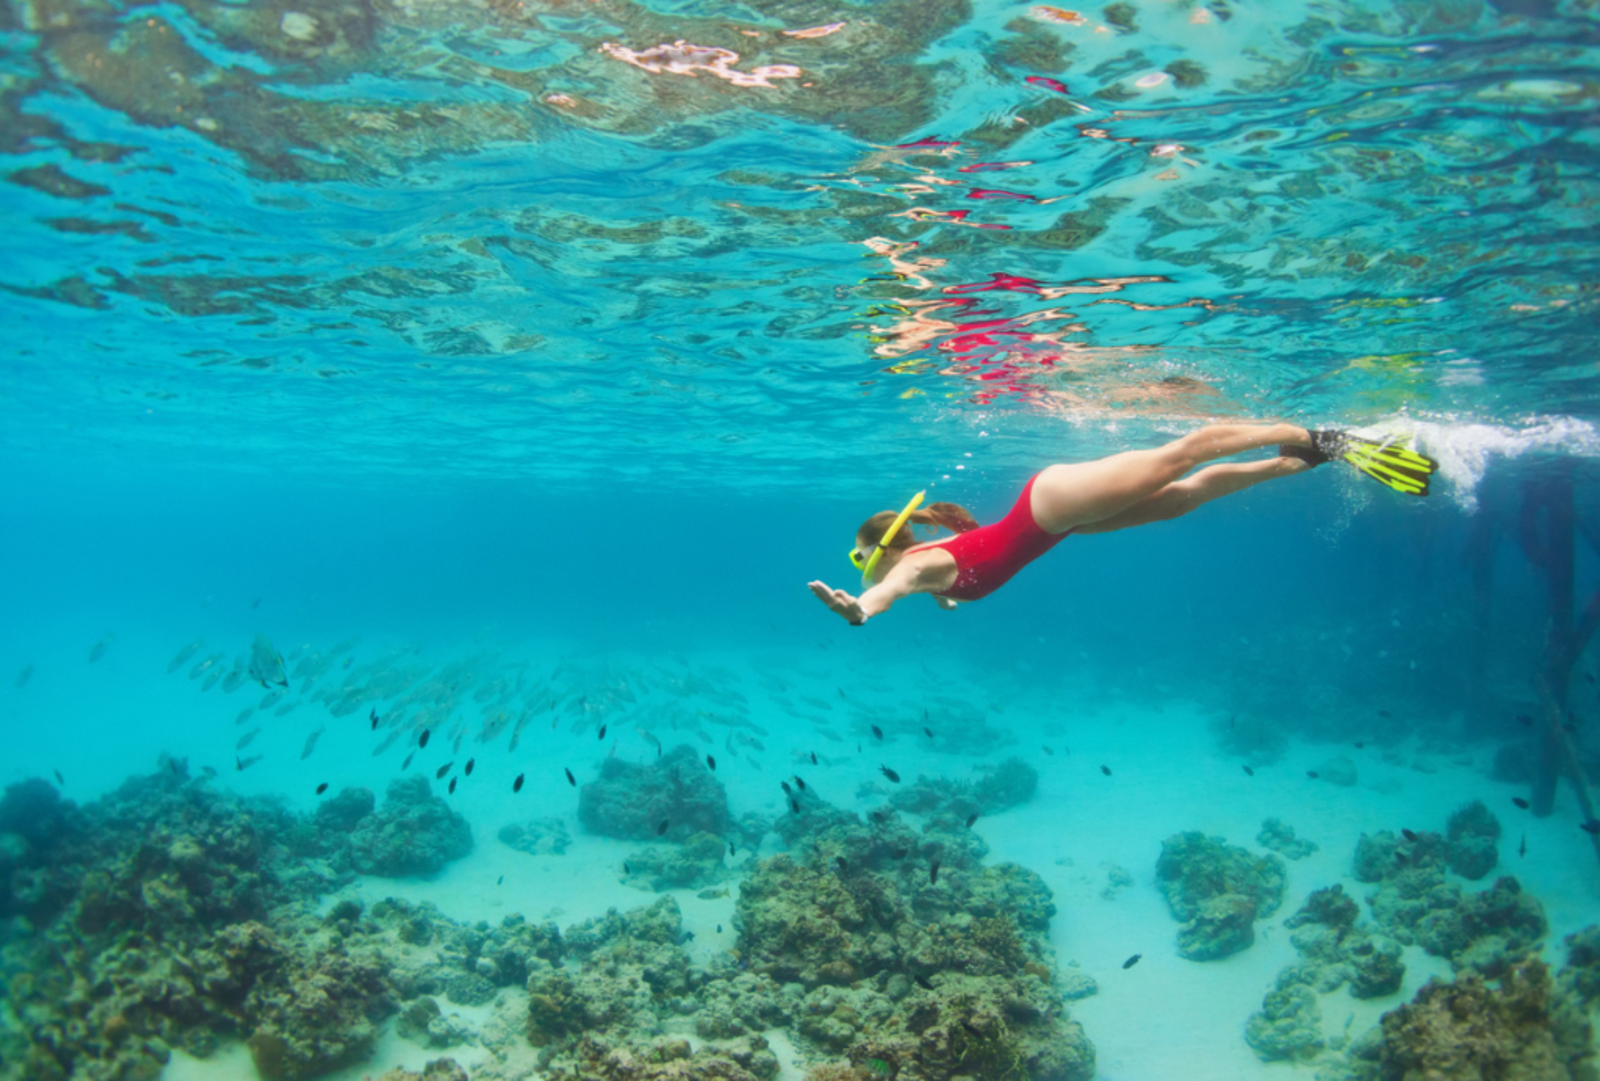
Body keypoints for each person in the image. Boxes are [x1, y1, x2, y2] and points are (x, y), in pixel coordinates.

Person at [808, 424, 1436, 626]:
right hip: (1059, 523)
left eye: (861, 561)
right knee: (1183, 496)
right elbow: (939, 584)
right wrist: (933, 595)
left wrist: (861, 608)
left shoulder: (911, 570)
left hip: (1050, 506)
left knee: (1180, 457)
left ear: (886, 555)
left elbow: (890, 592)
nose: (864, 572)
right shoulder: (929, 569)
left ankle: (1324, 435)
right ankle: (1307, 460)